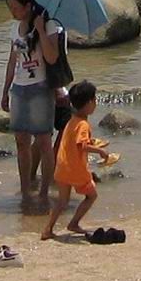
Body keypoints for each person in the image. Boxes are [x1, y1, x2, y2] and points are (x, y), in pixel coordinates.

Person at [0, 0, 68, 212]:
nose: (12, 12)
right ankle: (26, 189)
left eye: (15, 8)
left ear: (28, 6)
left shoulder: (49, 26)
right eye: (10, 8)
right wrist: (5, 91)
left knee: (43, 141)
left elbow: (51, 57)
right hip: (20, 88)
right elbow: (12, 61)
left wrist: (40, 30)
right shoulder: (15, 29)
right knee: (21, 141)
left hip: (41, 88)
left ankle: (44, 191)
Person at [41, 81, 113, 240]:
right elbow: (82, 146)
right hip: (76, 169)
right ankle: (74, 223)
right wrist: (100, 151)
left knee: (62, 201)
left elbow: (75, 142)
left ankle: (48, 229)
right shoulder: (83, 124)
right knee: (91, 196)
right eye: (94, 100)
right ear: (88, 103)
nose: (95, 104)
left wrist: (93, 143)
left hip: (62, 167)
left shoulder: (71, 121)